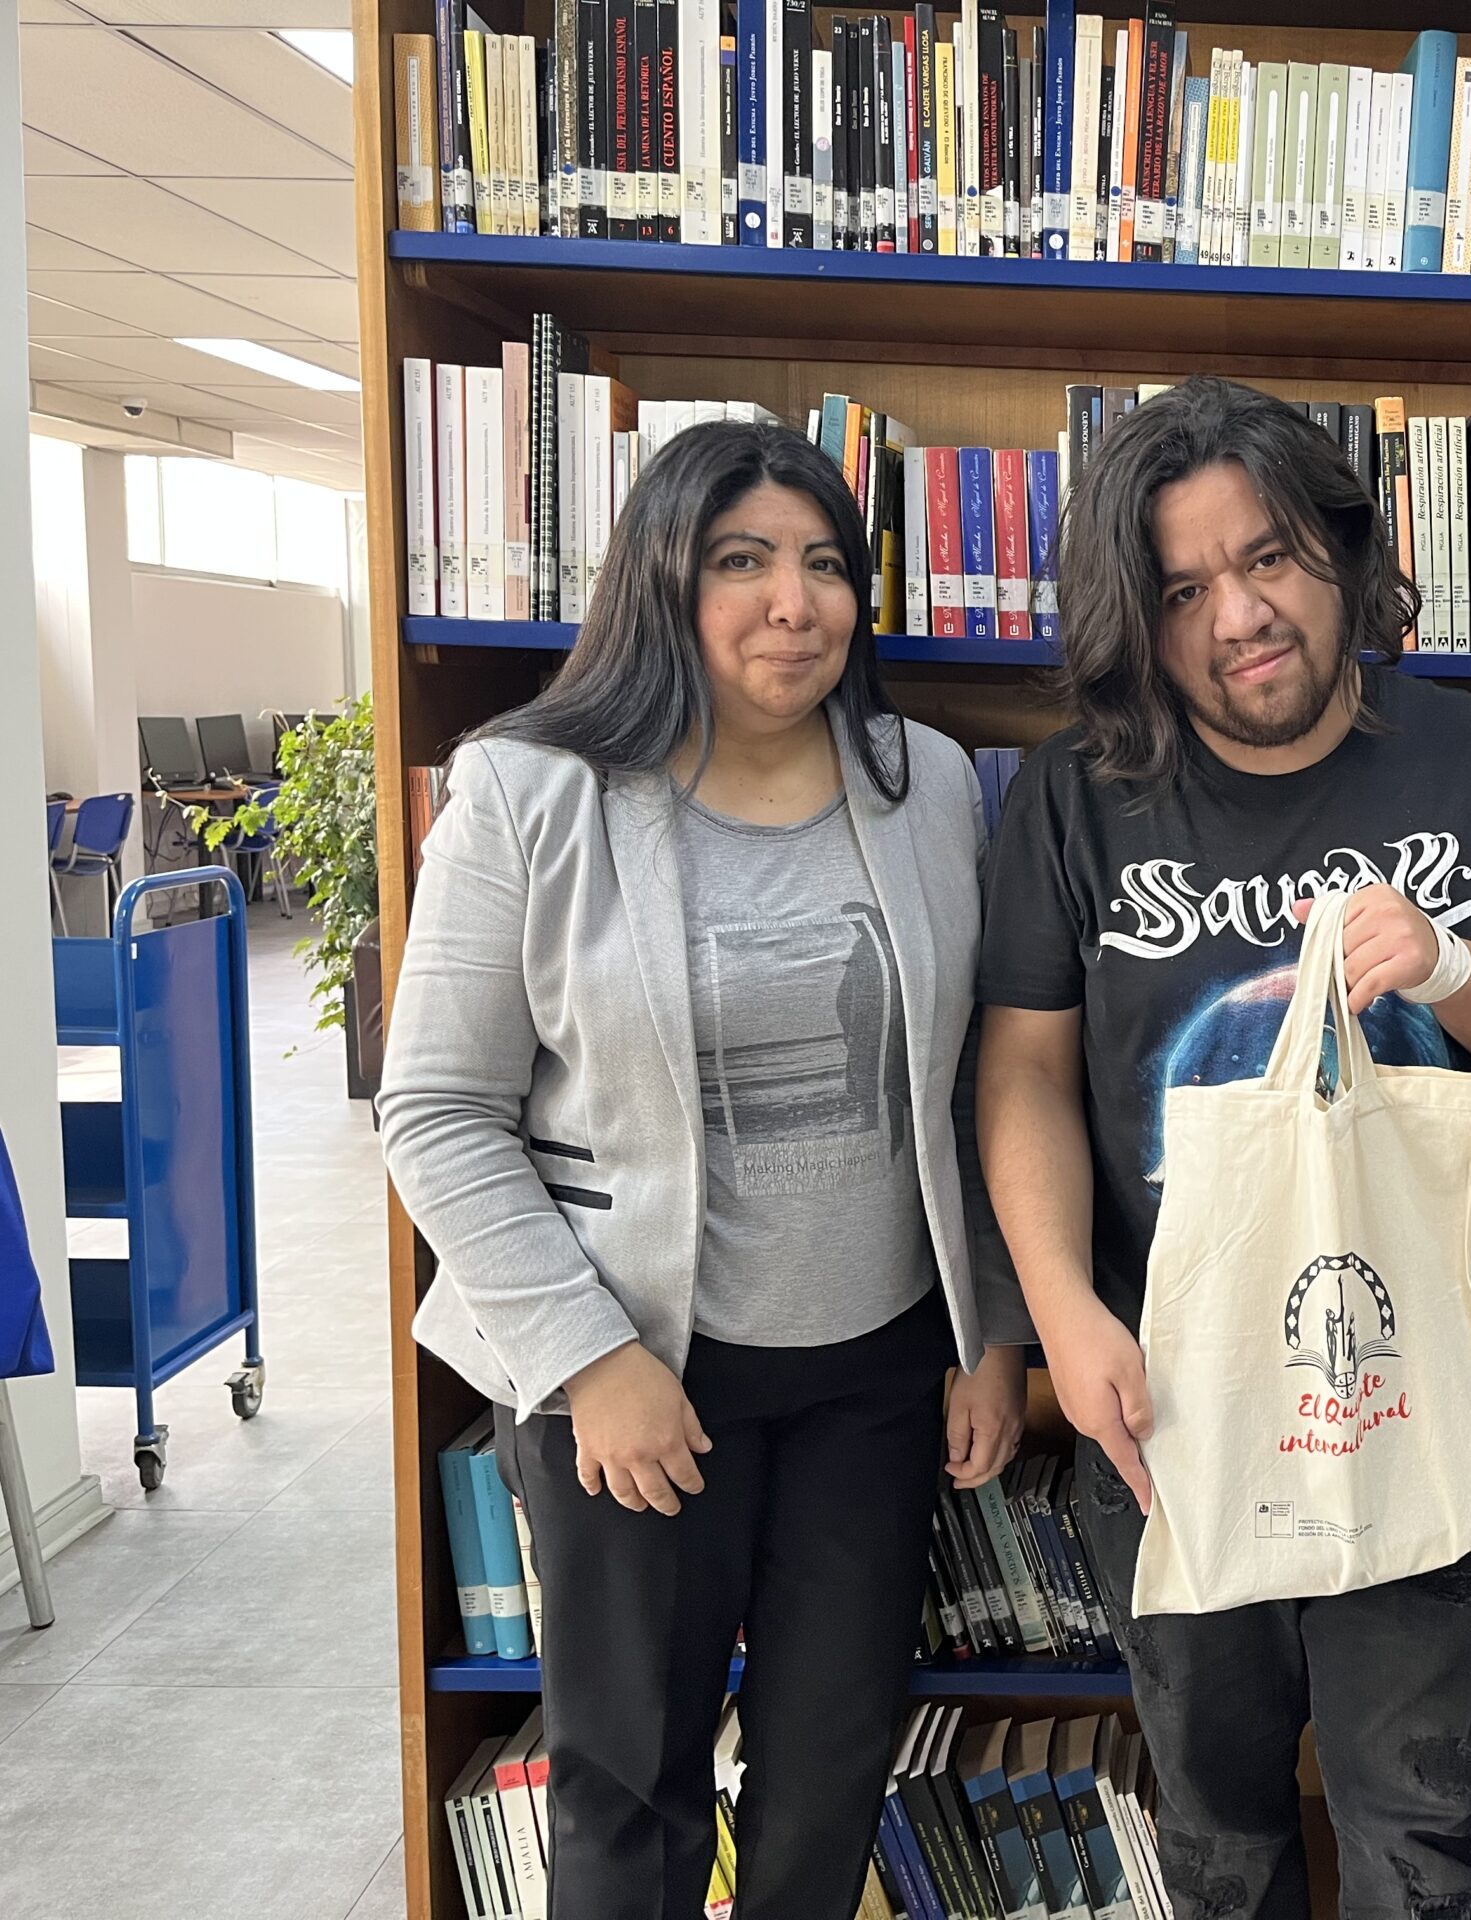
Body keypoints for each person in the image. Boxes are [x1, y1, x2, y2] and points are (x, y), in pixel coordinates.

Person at [975, 375, 1471, 1920]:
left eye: (1266, 557)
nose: (1239, 615)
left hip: (1418, 1385)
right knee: (1219, 1843)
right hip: (1172, 1404)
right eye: (1182, 588)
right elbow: (1023, 1072)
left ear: (1340, 550)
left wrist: (1453, 968)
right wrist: (1061, 1312)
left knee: (1424, 1843)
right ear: (1141, 620)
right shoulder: (1075, 792)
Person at [380, 422, 1030, 1920]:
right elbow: (437, 1109)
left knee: (832, 1771)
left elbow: (969, 1084)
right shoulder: (531, 790)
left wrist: (989, 1332)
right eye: (744, 561)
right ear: (665, 579)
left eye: (824, 564)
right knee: (631, 1786)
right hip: (638, 1370)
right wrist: (585, 1356)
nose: (794, 602)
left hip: (876, 1374)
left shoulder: (926, 782)